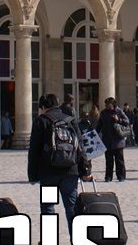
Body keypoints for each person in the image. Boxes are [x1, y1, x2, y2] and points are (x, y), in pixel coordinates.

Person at [27, 93, 94, 236]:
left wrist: (33, 175)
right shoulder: (71, 121)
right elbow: (80, 147)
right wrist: (85, 170)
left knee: (48, 207)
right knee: (71, 207)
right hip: (70, 170)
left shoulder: (41, 121)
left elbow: (34, 150)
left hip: (49, 172)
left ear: (43, 107)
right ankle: (78, 241)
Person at [97, 97, 130, 181]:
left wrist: (118, 119)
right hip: (107, 139)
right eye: (106, 104)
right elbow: (100, 125)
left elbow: (127, 121)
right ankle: (108, 177)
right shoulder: (103, 113)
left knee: (119, 160)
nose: (106, 106)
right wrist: (95, 133)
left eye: (108, 105)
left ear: (113, 105)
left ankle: (121, 176)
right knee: (109, 160)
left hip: (118, 140)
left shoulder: (119, 111)